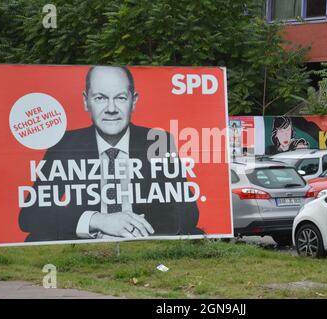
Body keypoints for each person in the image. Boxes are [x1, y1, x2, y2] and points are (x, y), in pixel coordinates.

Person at [19, 66, 203, 242]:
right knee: (34, 238)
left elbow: (188, 212)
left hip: (143, 239)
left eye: (121, 98)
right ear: (86, 101)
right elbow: (29, 216)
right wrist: (97, 221)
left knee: (195, 234)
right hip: (85, 242)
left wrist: (132, 228)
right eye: (100, 98)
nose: (111, 108)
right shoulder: (64, 144)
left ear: (134, 101)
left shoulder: (158, 141)